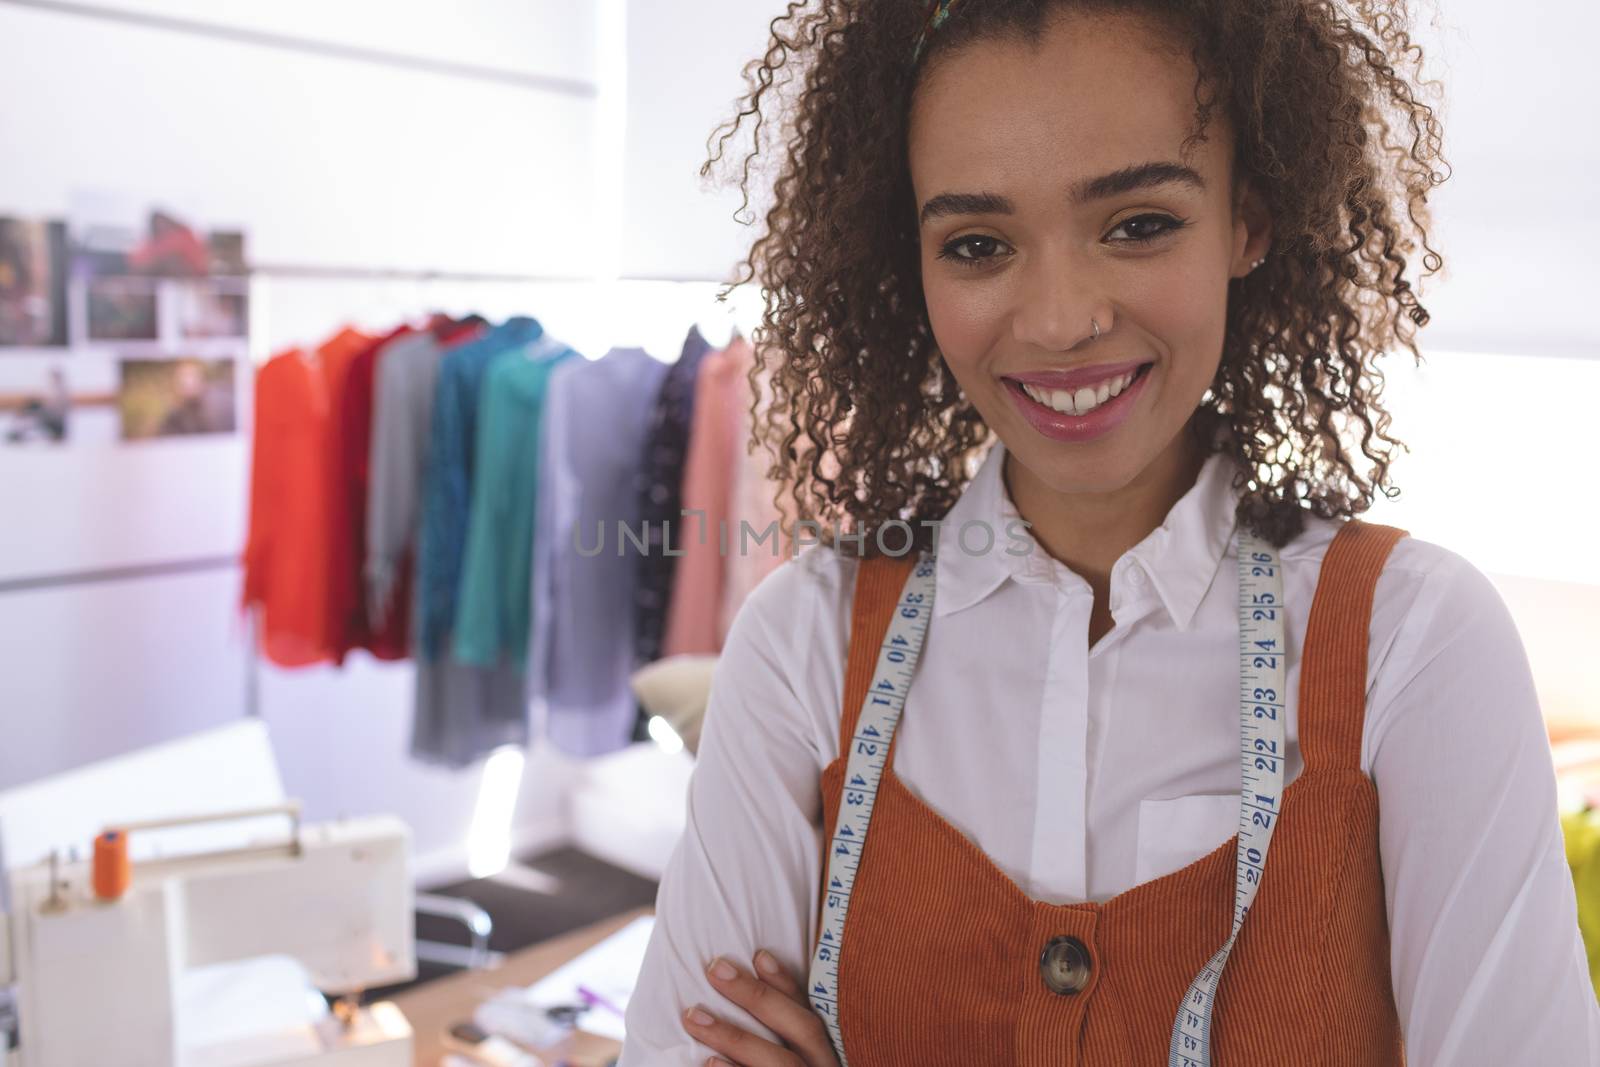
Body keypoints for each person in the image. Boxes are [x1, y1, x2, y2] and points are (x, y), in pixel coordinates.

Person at [618, 0, 1600, 1064]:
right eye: (978, 243)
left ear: (1248, 219)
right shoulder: (803, 642)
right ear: (912, 263)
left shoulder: (1413, 641)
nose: (1057, 319)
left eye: (1138, 223)